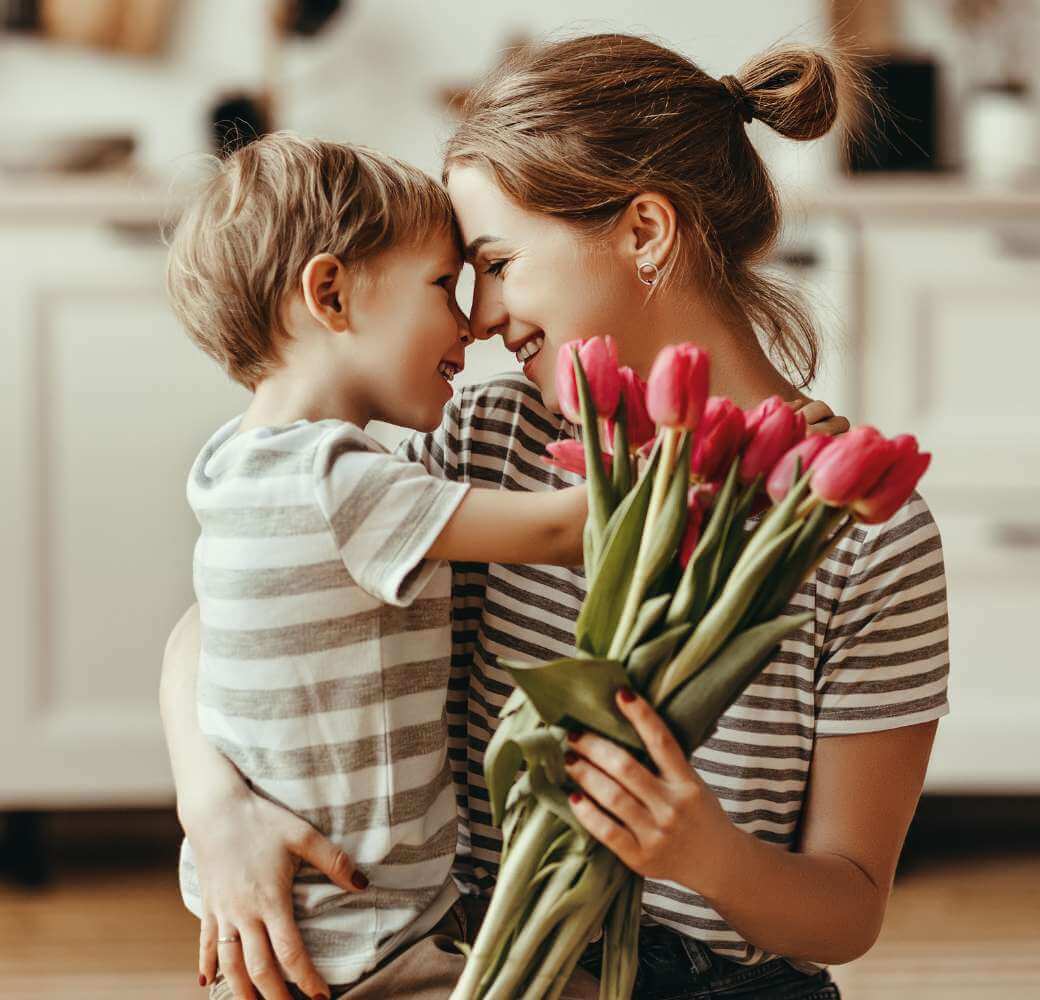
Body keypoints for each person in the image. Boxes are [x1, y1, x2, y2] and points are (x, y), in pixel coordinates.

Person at [161, 35, 949, 1000]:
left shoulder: (863, 532)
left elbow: (849, 909)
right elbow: (233, 610)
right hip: (474, 960)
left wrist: (701, 851)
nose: (480, 316)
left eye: (495, 262)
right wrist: (216, 811)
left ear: (647, 232)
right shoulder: (491, 438)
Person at [164, 132, 590, 1000]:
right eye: (444, 285)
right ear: (329, 293)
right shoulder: (339, 482)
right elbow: (557, 532)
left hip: (296, 926)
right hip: (369, 944)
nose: (471, 324)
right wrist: (729, 451)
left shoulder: (232, 464)